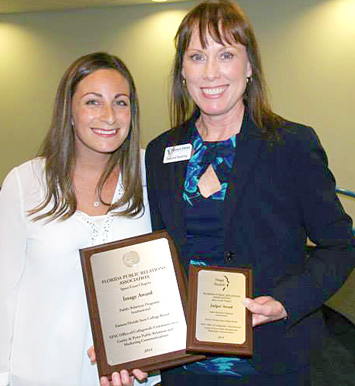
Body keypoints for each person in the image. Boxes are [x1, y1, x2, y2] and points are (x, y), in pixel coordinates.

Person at [145, 1, 355, 385]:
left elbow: (340, 246)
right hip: (183, 365)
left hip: (270, 360)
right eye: (196, 56)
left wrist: (284, 303)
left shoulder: (290, 144)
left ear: (250, 67)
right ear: (182, 72)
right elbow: (159, 254)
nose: (210, 72)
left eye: (226, 54)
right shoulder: (161, 153)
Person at [0, 52, 160, 386]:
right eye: (93, 102)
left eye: (120, 103)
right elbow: (1, 297)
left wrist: (149, 357)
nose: (109, 116)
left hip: (131, 377)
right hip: (42, 373)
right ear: (70, 112)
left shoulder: (153, 176)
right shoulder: (26, 183)